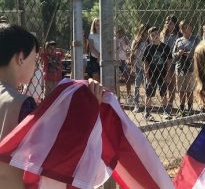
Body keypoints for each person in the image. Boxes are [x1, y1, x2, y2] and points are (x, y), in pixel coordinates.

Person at [0, 24, 103, 188]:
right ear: (20, 58)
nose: (35, 66)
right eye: (34, 59)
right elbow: (49, 152)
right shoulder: (22, 104)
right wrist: (90, 106)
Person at [142, 27, 172, 120]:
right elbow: (145, 64)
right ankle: (147, 112)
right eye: (152, 35)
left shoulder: (165, 47)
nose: (154, 36)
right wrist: (147, 77)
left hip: (162, 74)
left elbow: (168, 62)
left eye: (156, 34)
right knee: (149, 94)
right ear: (150, 37)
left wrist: (168, 75)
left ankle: (166, 112)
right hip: (151, 74)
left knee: (163, 93)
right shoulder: (148, 48)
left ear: (159, 34)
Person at [173, 20, 200, 117]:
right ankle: (181, 109)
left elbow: (200, 53)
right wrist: (178, 53)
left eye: (185, 27)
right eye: (181, 27)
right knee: (181, 90)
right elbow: (173, 54)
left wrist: (192, 54)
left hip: (191, 68)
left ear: (191, 28)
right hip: (180, 68)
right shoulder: (178, 40)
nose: (183, 29)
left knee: (189, 90)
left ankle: (190, 109)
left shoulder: (195, 39)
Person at [160, 15, 182, 116]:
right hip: (163, 63)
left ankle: (170, 105)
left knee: (172, 85)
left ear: (175, 24)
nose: (168, 24)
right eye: (167, 22)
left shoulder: (179, 35)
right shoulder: (162, 34)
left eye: (171, 23)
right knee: (164, 84)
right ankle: (165, 108)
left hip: (174, 62)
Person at [131, 24, 150, 112]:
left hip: (148, 68)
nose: (145, 33)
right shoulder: (136, 41)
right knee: (137, 86)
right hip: (138, 67)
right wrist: (133, 67)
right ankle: (136, 105)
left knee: (148, 86)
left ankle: (147, 106)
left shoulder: (150, 42)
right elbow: (132, 55)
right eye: (144, 31)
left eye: (147, 31)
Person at [115, 27, 133, 104]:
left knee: (127, 77)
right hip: (114, 61)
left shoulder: (125, 39)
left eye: (121, 32)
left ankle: (129, 96)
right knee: (115, 79)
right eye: (118, 32)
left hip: (122, 61)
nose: (119, 34)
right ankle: (116, 96)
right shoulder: (114, 39)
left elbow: (128, 49)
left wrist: (126, 44)